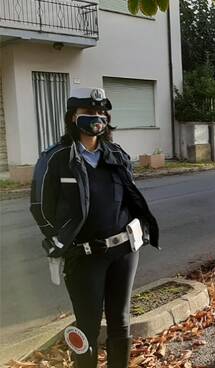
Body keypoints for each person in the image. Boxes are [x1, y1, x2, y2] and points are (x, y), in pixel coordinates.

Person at [30, 87, 159, 368]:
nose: (96, 118)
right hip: (84, 257)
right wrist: (60, 241)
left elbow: (129, 194)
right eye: (89, 113)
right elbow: (40, 208)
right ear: (72, 117)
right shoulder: (55, 158)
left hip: (124, 252)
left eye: (101, 113)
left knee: (120, 321)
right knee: (87, 325)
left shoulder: (116, 154)